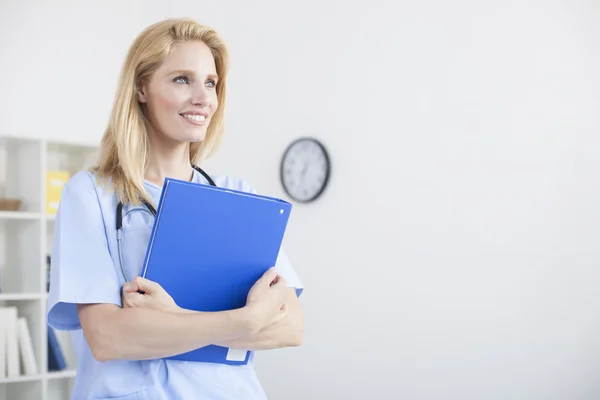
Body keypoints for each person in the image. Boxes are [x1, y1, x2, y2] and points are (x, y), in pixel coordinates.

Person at [47, 17, 304, 400]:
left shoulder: (237, 196)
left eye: (211, 83)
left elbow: (290, 327)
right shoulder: (91, 194)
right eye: (182, 79)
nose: (203, 97)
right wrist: (245, 321)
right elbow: (108, 338)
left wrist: (171, 319)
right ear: (141, 88)